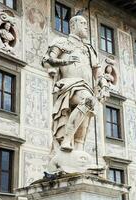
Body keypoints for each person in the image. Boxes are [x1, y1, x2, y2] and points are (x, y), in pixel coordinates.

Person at [42, 15, 109, 153]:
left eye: (86, 23)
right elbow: (47, 60)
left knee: (88, 110)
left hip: (86, 86)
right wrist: (64, 62)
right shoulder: (62, 42)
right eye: (83, 23)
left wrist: (104, 85)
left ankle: (78, 150)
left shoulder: (89, 49)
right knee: (88, 101)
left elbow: (97, 71)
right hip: (68, 84)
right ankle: (67, 139)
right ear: (73, 25)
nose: (86, 26)